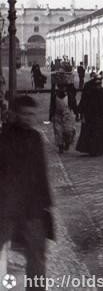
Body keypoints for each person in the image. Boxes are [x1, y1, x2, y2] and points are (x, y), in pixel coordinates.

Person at [0, 96, 54, 290]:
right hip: (6, 208)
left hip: (33, 208)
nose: (30, 118)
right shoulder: (4, 138)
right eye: (25, 114)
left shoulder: (36, 138)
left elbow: (41, 172)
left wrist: (46, 204)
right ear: (15, 114)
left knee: (37, 258)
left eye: (32, 114)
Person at [75, 76, 103, 157]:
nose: (99, 86)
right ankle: (93, 149)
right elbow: (85, 103)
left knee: (97, 133)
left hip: (97, 116)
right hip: (92, 117)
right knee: (93, 133)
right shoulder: (91, 92)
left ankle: (97, 149)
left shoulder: (97, 92)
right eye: (98, 85)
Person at [50, 80, 77, 153]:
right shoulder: (54, 96)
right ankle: (60, 146)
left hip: (67, 115)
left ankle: (67, 143)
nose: (61, 89)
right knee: (58, 132)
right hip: (57, 115)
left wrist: (77, 114)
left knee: (68, 131)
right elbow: (52, 106)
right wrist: (51, 116)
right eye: (60, 87)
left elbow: (74, 105)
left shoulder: (70, 96)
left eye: (63, 87)